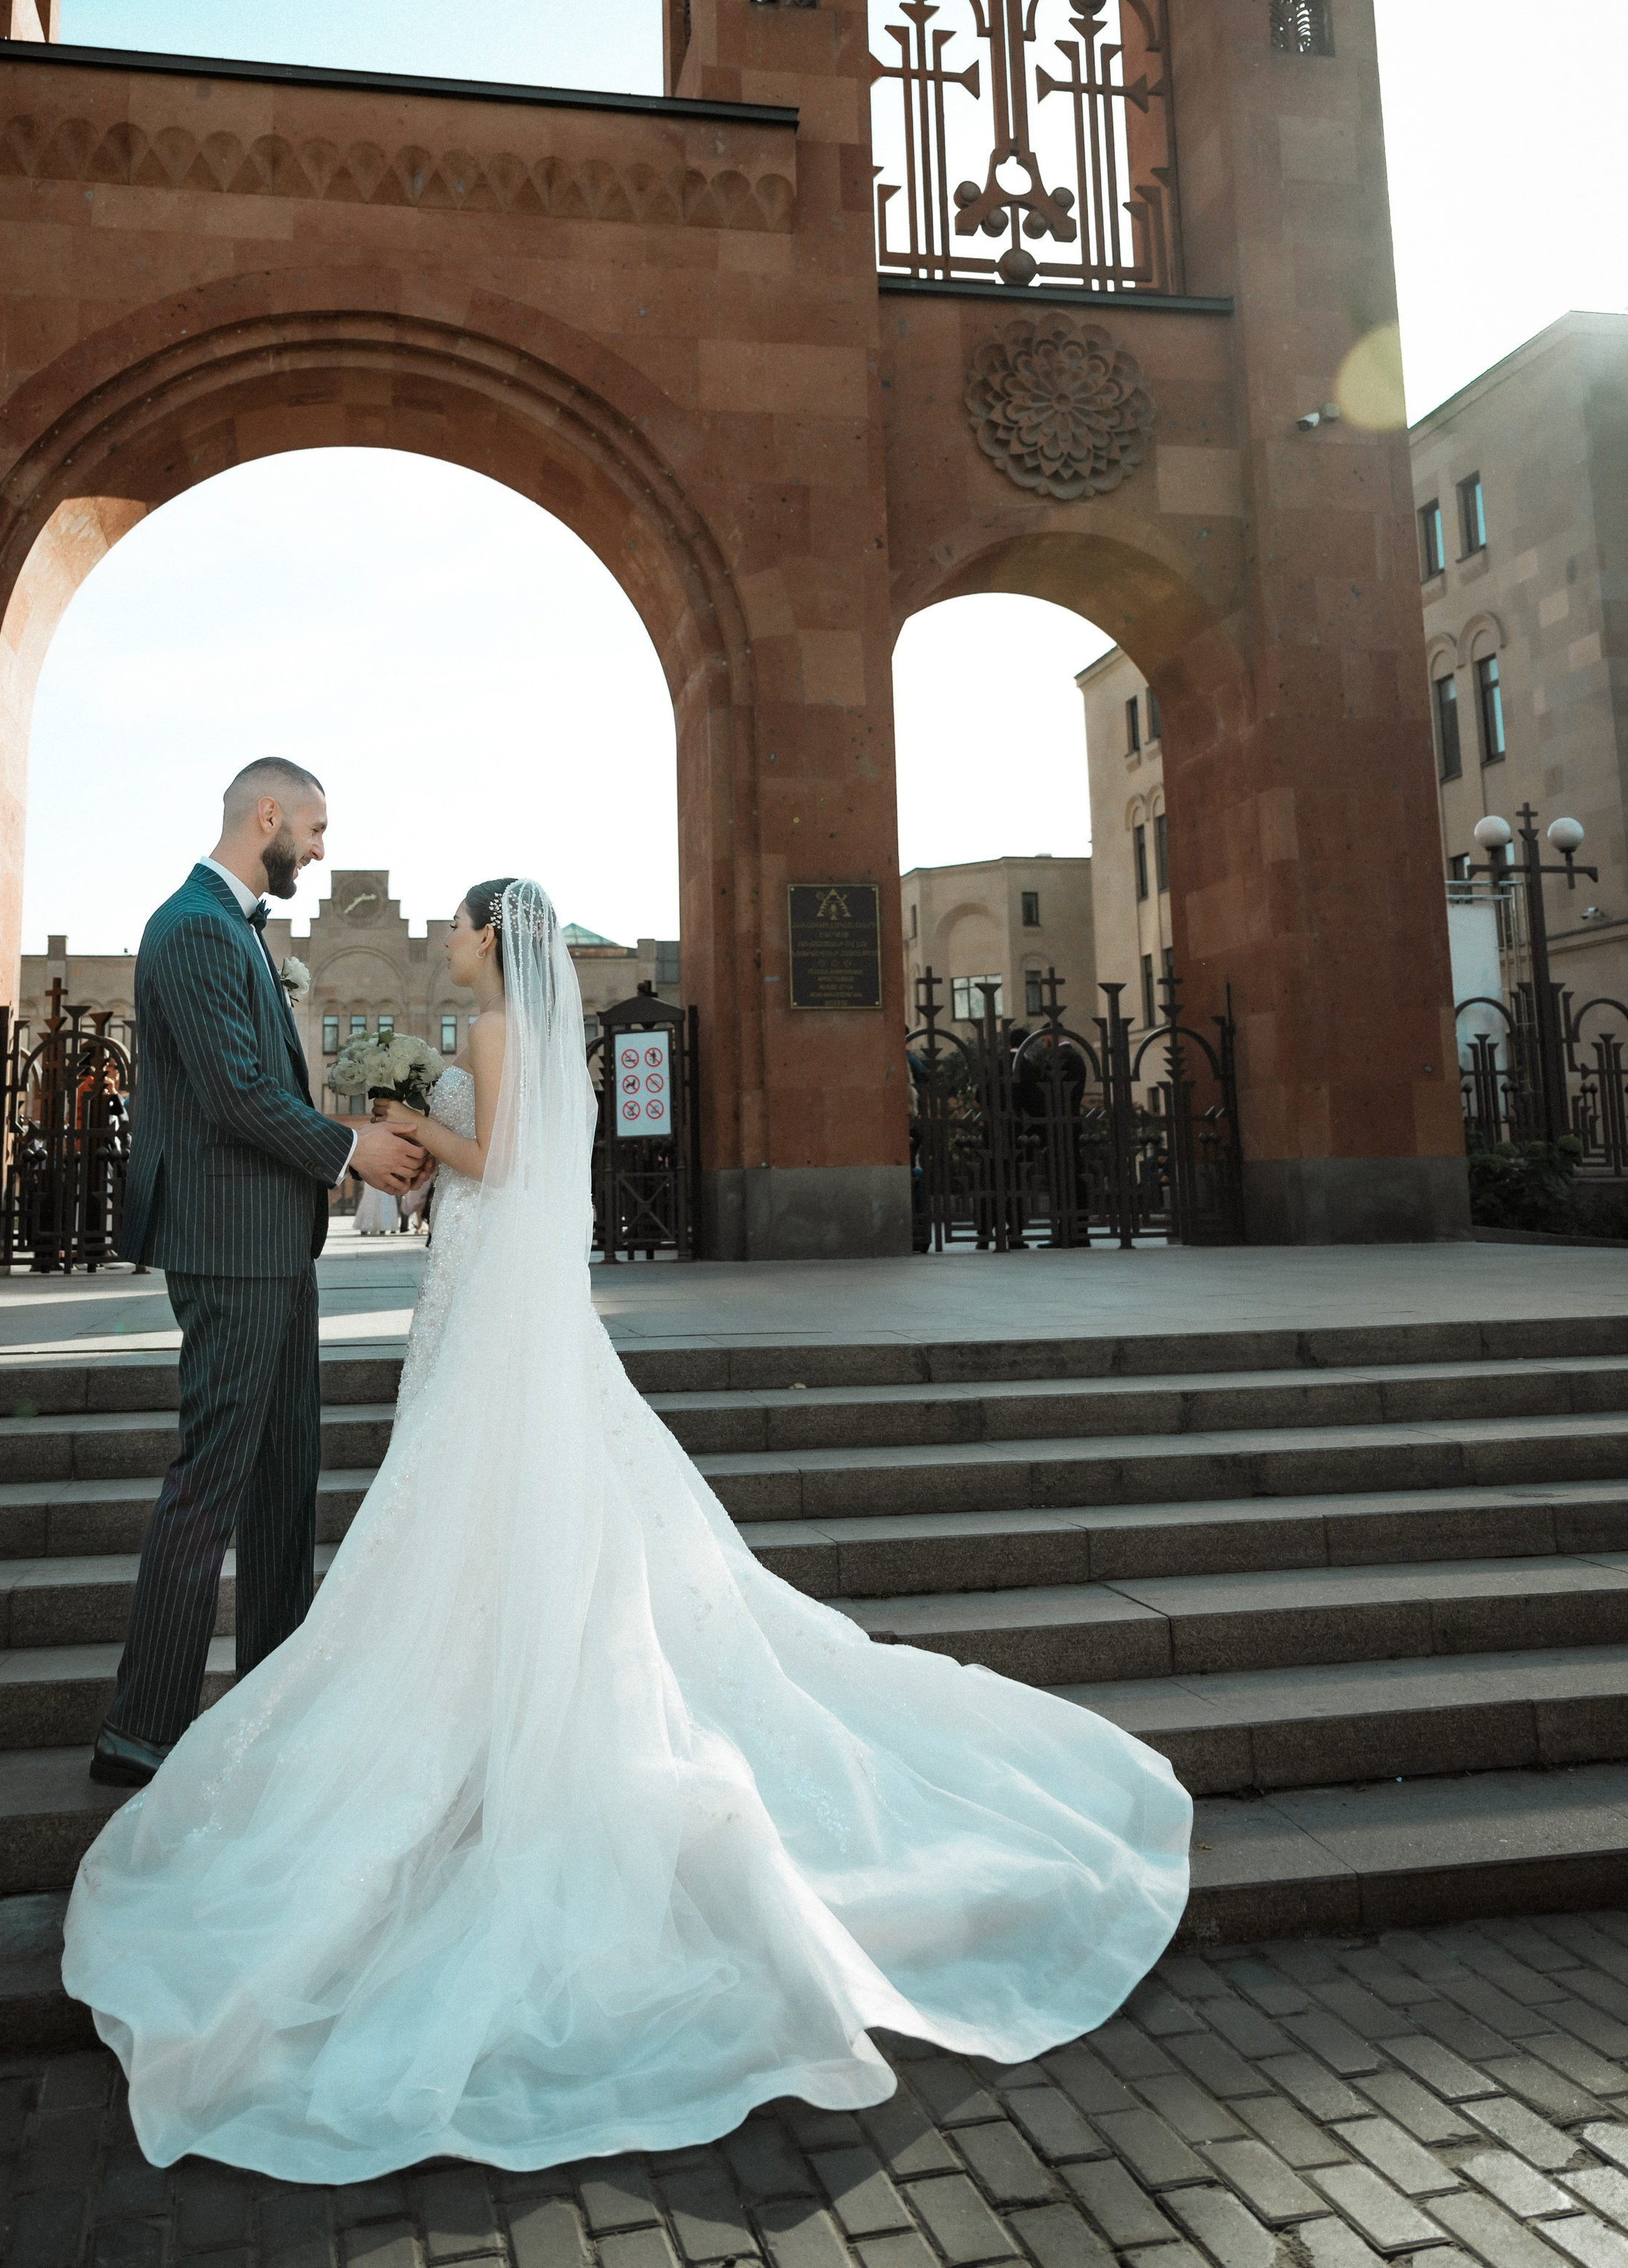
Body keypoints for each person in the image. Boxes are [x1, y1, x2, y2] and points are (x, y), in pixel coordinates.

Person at [66, 877, 1189, 2180]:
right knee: (519, 1489)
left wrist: (406, 1121)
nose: (444, 939)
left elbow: (506, 1161)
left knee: (480, 1487)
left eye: (459, 926)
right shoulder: (531, 1032)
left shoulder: (495, 1035)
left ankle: (486, 1701)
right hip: (507, 1284)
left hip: (497, 1284)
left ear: (492, 940)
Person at [88, 758, 428, 1791]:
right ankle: (140, 1730)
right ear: (266, 815)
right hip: (231, 1252)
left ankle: (276, 1700)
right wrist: (351, 1151)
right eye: (316, 829)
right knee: (211, 1486)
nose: (322, 851)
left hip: (276, 1250)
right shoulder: (192, 928)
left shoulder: (236, 929)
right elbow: (236, 1096)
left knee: (284, 1488)